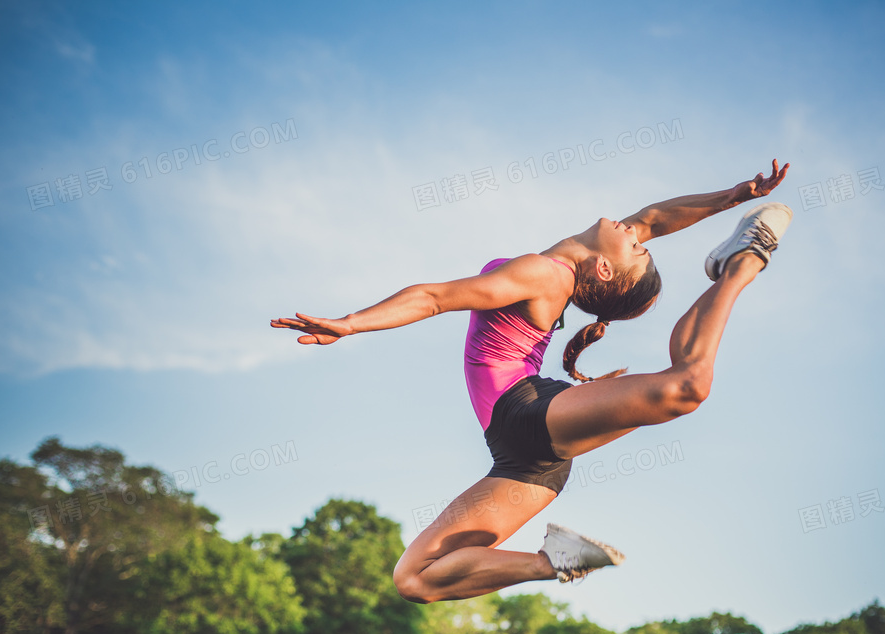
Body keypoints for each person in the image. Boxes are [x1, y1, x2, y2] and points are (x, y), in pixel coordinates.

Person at [271, 159, 791, 604]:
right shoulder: (570, 268)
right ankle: (556, 562)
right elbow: (657, 217)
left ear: (604, 270)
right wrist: (732, 195)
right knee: (415, 580)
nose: (638, 231)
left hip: (524, 413)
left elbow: (434, 297)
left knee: (688, 386)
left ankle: (742, 261)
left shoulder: (547, 274)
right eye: (640, 241)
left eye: (637, 245)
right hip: (524, 454)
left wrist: (350, 322)